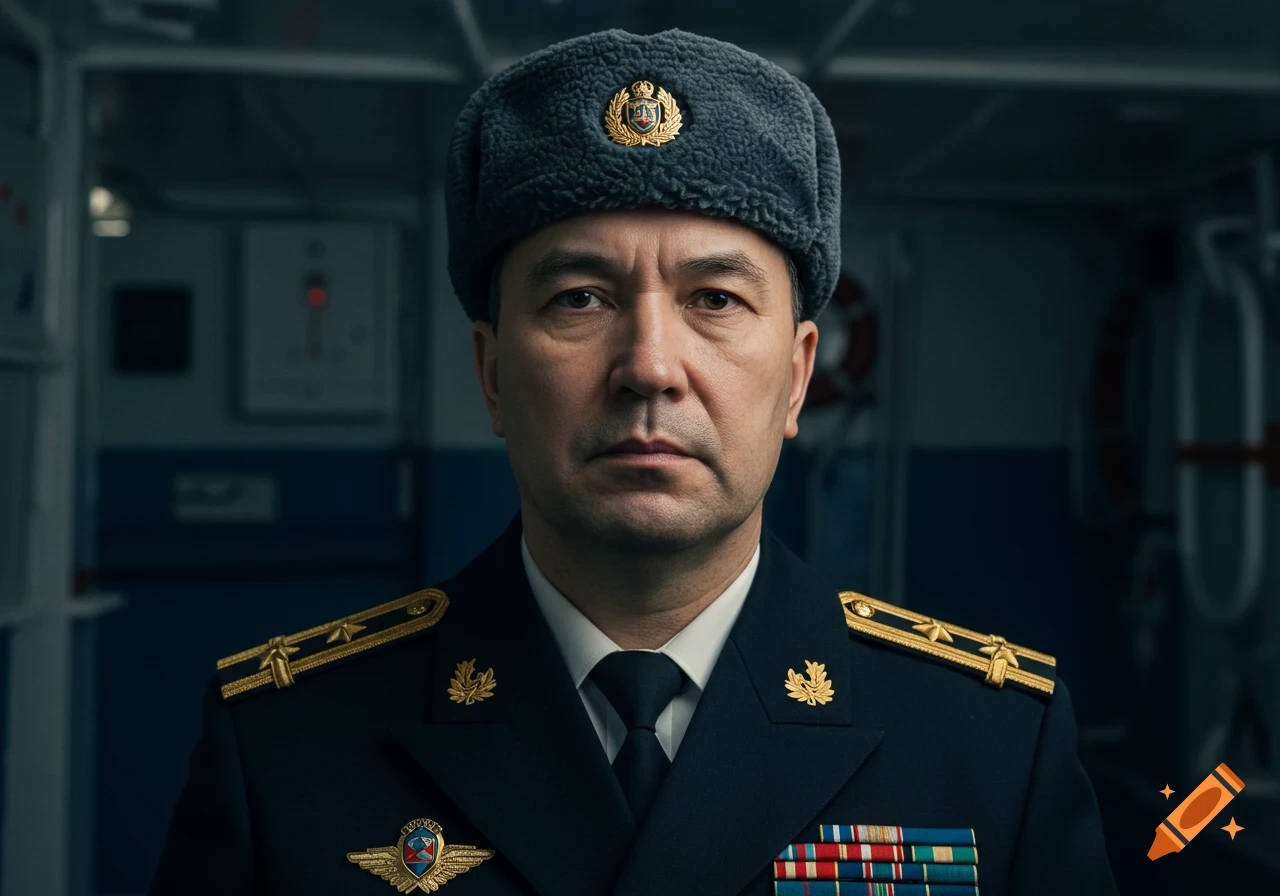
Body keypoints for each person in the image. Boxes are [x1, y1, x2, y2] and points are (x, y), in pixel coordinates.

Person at [149, 28, 1118, 896]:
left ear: (796, 377)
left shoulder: (993, 746)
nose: (650, 366)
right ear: (492, 374)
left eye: (715, 300)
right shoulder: (282, 744)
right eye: (579, 297)